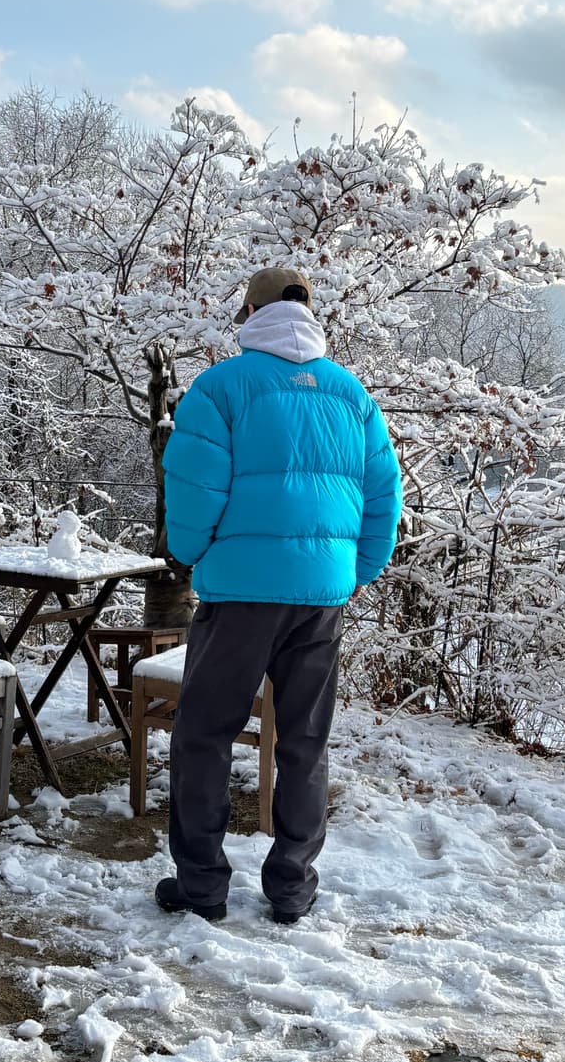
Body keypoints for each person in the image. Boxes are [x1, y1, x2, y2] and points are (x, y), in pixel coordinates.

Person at [155, 265, 403, 924]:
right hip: (320, 597)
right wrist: (352, 573)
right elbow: (384, 498)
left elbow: (191, 490)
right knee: (303, 741)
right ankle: (291, 885)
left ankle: (203, 885)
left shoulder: (219, 388)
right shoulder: (351, 395)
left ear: (249, 311)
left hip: (239, 594)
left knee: (203, 735)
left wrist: (194, 554)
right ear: (309, 312)